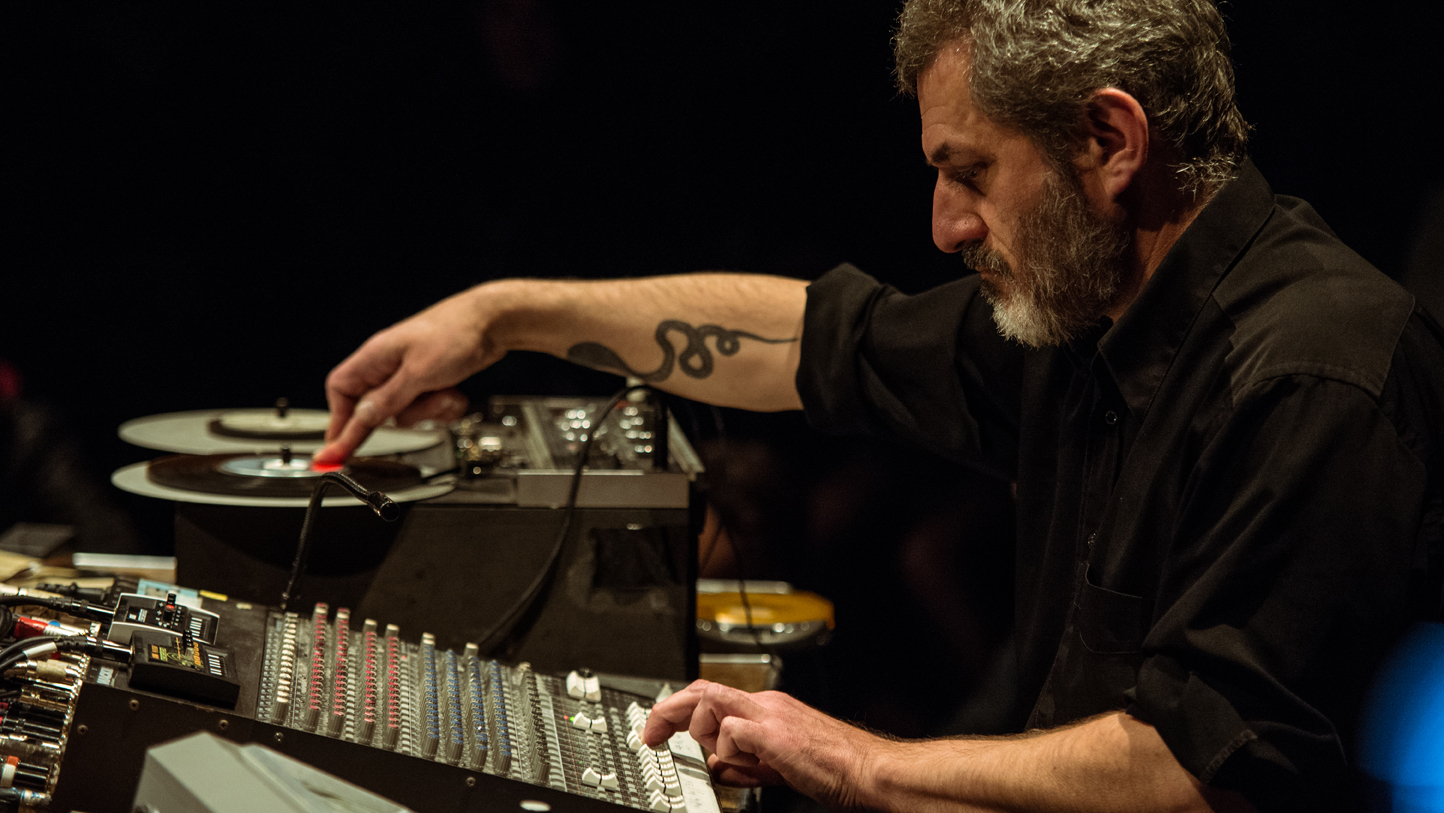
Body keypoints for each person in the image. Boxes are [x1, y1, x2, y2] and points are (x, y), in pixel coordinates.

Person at [315, 1, 1444, 810]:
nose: (944, 225)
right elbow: (812, 339)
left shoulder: (1313, 375)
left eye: (970, 172)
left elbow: (1200, 769)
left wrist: (853, 758)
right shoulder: (1092, 308)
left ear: (1110, 141)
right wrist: (503, 315)